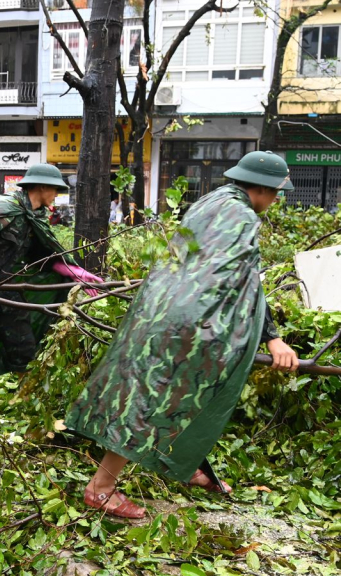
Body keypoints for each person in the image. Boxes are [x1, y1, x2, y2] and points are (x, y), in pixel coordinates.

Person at [64, 151, 300, 519]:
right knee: (154, 400)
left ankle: (185, 464)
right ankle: (101, 489)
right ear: (265, 188)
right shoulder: (242, 217)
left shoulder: (211, 201)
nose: (276, 199)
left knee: (160, 393)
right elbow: (246, 281)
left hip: (160, 308)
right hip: (191, 323)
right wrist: (273, 337)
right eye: (277, 192)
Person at [0, 163, 103, 377]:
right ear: (43, 187)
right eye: (55, 189)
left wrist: (75, 272)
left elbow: (41, 255)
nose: (56, 195)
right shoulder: (8, 207)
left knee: (24, 348)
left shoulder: (36, 216)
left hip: (7, 287)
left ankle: (14, 395)